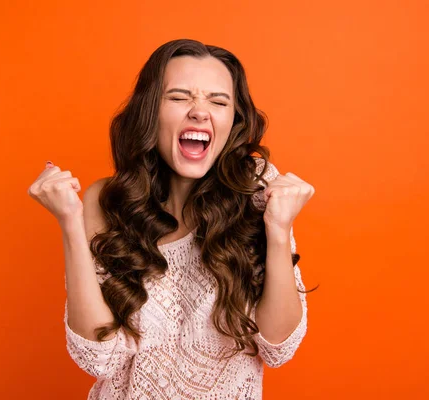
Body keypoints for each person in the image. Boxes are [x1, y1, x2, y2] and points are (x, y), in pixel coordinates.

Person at [28, 38, 317, 400]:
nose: (199, 111)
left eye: (218, 101)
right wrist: (69, 221)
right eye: (179, 97)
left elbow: (278, 347)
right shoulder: (107, 202)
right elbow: (99, 358)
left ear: (233, 120)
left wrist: (278, 229)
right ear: (150, 111)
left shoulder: (257, 192)